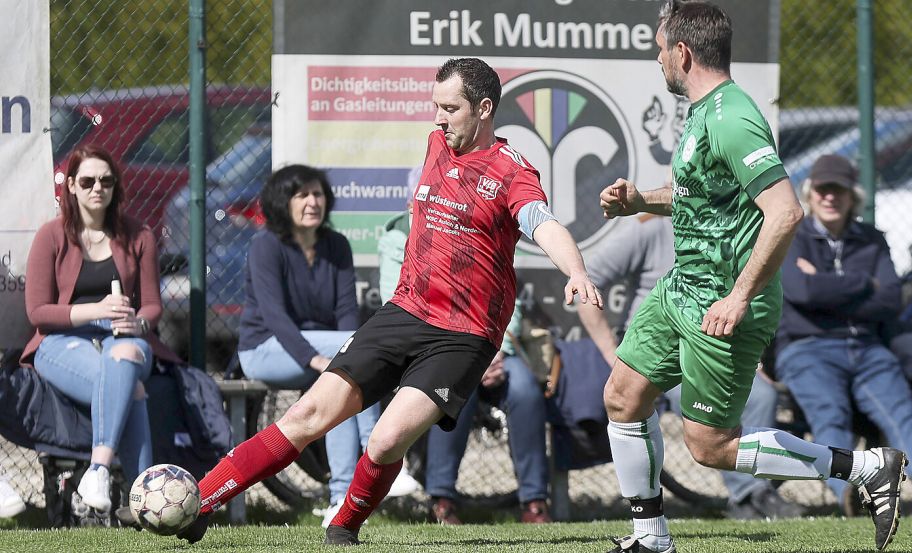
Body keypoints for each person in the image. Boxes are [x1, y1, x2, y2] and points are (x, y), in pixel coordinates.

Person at [180, 57, 601, 546]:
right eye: (435, 107)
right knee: (304, 417)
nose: (438, 118)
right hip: (403, 312)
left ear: (484, 109)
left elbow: (541, 221)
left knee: (383, 441)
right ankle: (198, 505)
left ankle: (344, 528)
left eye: (450, 108)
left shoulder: (511, 171)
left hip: (463, 336)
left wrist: (575, 271)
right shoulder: (437, 144)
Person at [597, 3, 906, 552]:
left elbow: (786, 211)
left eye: (660, 49)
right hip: (682, 290)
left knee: (710, 446)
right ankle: (651, 539)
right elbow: (705, 198)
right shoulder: (701, 111)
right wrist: (640, 200)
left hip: (723, 302)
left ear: (683, 53)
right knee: (623, 396)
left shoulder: (731, 115)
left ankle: (863, 467)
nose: (658, 60)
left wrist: (739, 297)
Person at [775, 153, 912, 518]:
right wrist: (860, 284)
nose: (829, 197)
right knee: (831, 415)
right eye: (822, 189)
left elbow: (888, 300)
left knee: (902, 413)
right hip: (808, 349)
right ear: (810, 194)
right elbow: (800, 292)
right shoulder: (793, 235)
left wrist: (825, 287)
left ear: (852, 196)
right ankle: (849, 493)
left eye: (838, 190)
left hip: (868, 348)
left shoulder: (871, 240)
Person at [577, 214, 804, 520]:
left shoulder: (733, 228)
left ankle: (756, 493)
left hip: (719, 346)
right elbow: (587, 282)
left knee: (762, 395)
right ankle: (749, 495)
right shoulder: (650, 228)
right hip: (662, 350)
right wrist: (612, 354)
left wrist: (753, 359)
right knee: (706, 441)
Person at [21, 144, 183, 519]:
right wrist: (97, 310)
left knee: (124, 358)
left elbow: (153, 305)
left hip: (125, 339)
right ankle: (142, 503)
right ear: (72, 187)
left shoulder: (138, 235)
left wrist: (138, 322)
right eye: (88, 180)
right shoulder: (51, 236)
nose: (98, 188)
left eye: (106, 181)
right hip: (60, 342)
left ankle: (98, 470)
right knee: (132, 387)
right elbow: (38, 312)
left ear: (115, 188)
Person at [235, 163, 391, 528]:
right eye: (302, 194)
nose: (312, 202)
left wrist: (341, 360)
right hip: (265, 350)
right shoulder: (265, 246)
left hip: (326, 351)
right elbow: (275, 318)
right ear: (282, 202)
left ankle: (340, 498)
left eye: (317, 193)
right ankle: (379, 453)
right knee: (353, 360)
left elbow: (346, 314)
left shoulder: (336, 245)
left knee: (345, 382)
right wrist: (319, 359)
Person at [379, 199, 551, 525]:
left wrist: (493, 349)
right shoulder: (396, 239)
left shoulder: (478, 228)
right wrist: (466, 355)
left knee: (527, 390)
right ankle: (441, 499)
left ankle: (535, 501)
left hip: (492, 345)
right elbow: (396, 300)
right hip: (438, 351)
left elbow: (503, 294)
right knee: (453, 389)